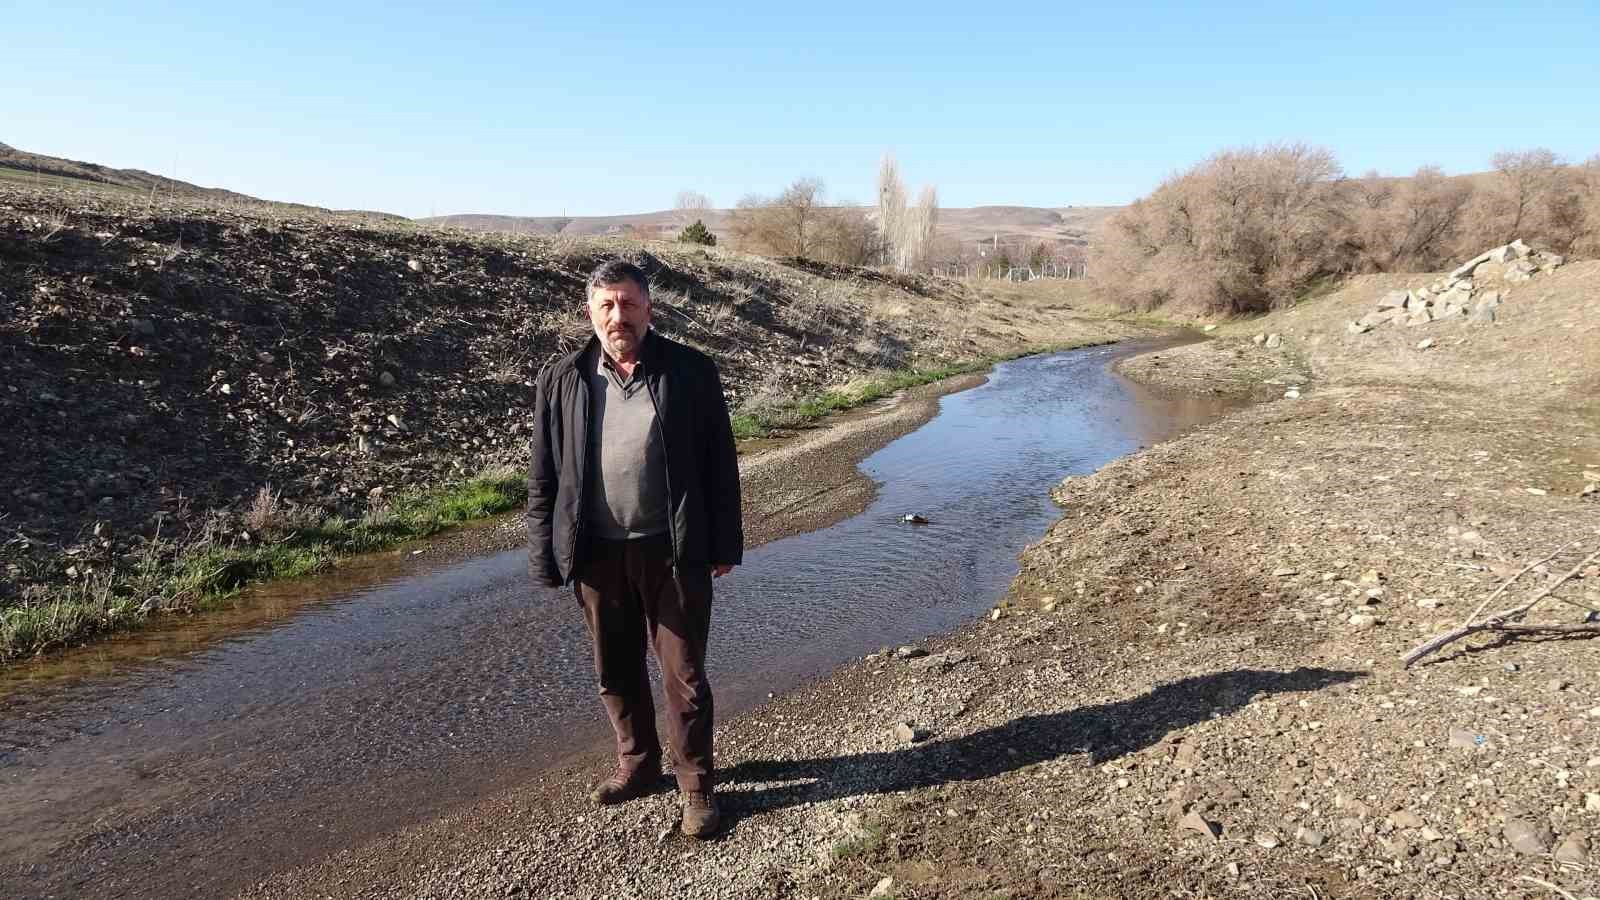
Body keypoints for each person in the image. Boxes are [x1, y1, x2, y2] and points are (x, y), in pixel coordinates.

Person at [526, 259, 742, 838]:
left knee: (685, 675)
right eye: (606, 305)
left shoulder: (692, 371)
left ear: (649, 307)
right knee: (615, 669)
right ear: (590, 312)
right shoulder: (563, 378)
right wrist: (545, 554)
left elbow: (721, 463)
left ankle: (696, 787)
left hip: (674, 549)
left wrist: (725, 542)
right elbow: (545, 476)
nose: (617, 315)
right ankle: (639, 766)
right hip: (596, 552)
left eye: (628, 303)